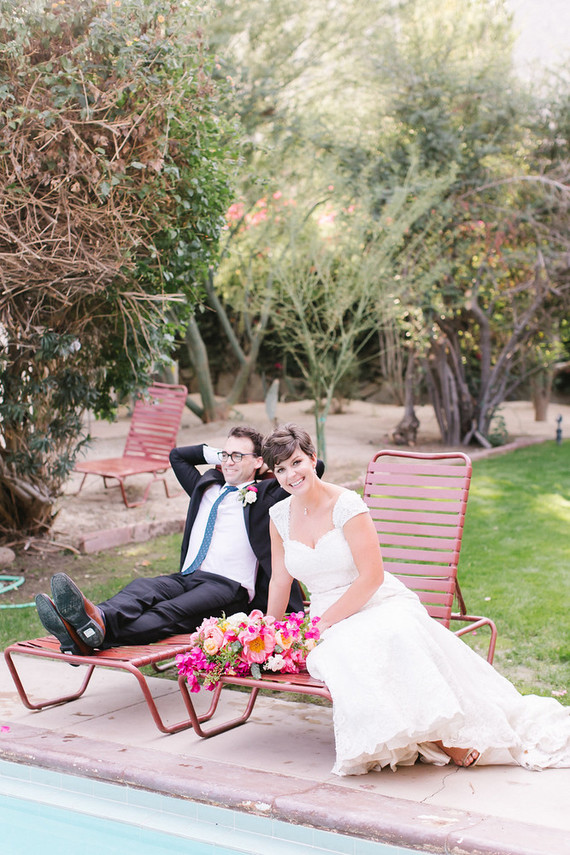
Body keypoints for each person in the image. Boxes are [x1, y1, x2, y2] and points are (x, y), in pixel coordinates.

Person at [263, 423, 570, 776]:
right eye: (280, 469)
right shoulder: (278, 516)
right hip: (327, 615)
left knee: (391, 634)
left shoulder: (346, 505)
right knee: (346, 651)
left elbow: (372, 577)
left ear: (313, 459)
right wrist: (270, 633)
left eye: (296, 462)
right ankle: (429, 735)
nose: (290, 475)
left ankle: (444, 735)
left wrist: (324, 623)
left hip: (373, 599)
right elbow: (279, 579)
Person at [35, 426, 322, 655]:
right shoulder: (206, 484)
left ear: (259, 461)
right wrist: (221, 456)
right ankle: (95, 618)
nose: (228, 461)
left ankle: (82, 631)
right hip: (189, 575)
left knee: (170, 612)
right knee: (141, 589)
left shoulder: (268, 494)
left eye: (238, 456)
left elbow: (315, 468)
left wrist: (266, 468)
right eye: (225, 454)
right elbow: (177, 456)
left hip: (229, 586)